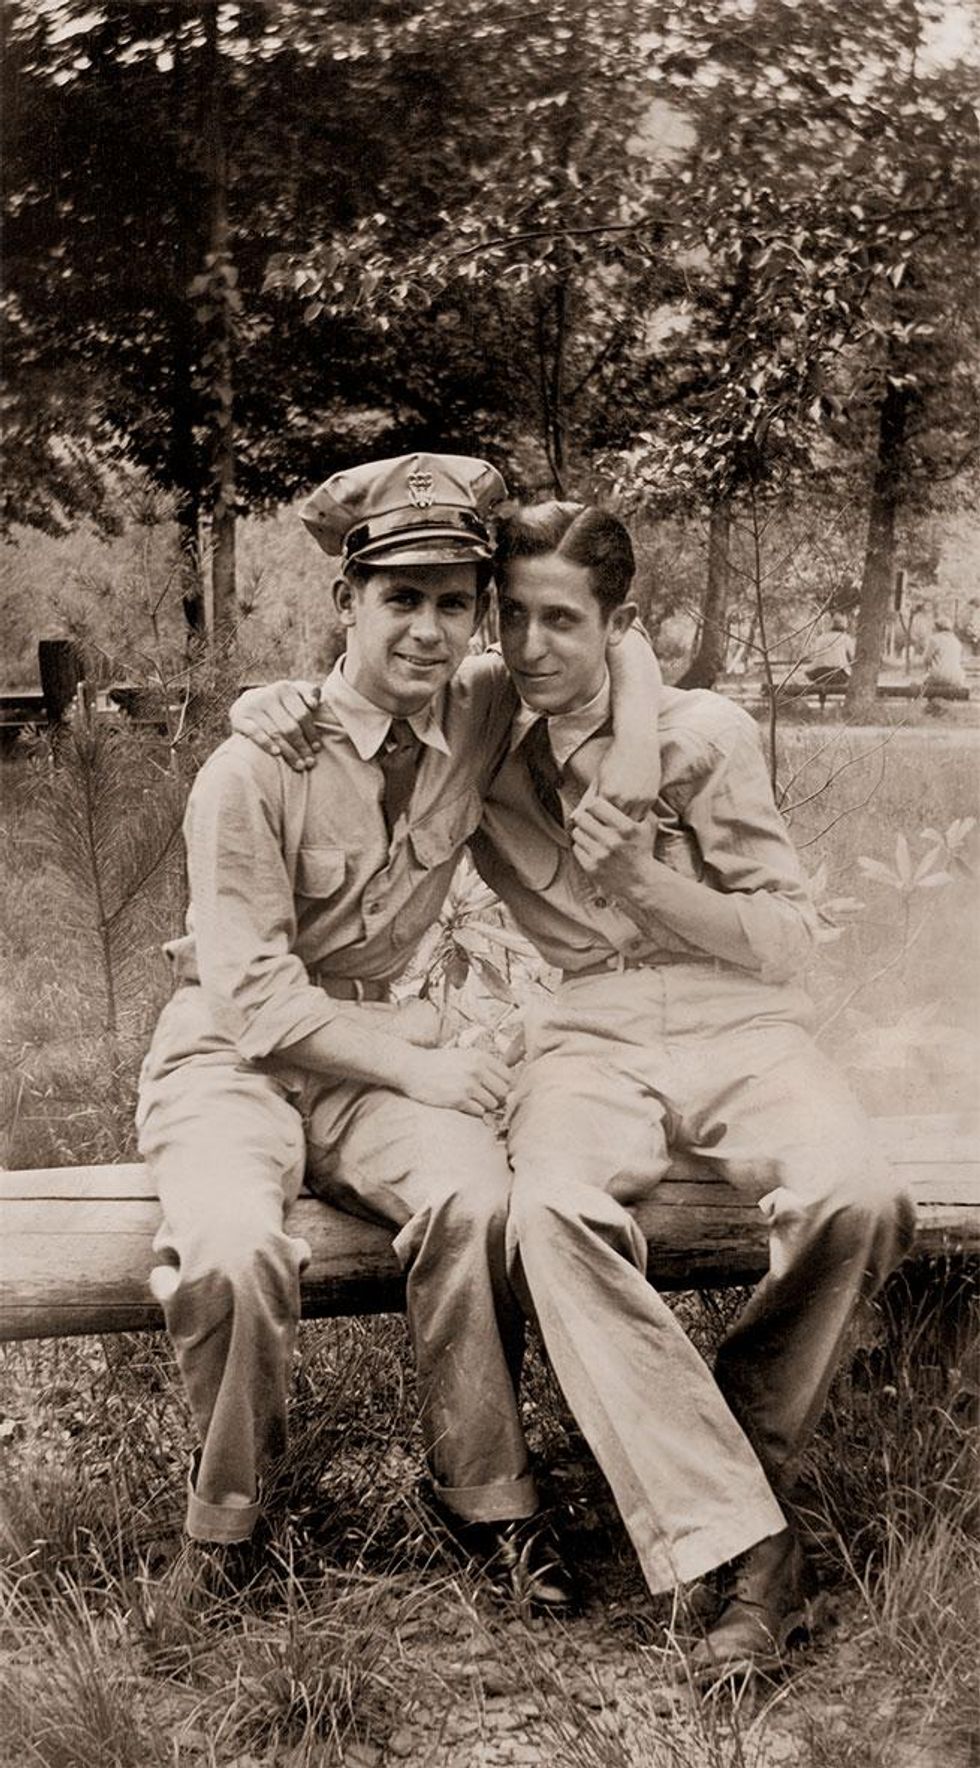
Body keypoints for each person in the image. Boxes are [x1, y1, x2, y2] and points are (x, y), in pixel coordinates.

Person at [240, 500, 916, 1682]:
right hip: (584, 1036)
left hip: (737, 1022)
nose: (530, 644)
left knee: (855, 1198)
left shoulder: (703, 733)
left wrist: (643, 880)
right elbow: (361, 691)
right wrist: (267, 705)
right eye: (511, 617)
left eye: (561, 620)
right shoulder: (484, 729)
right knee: (549, 1214)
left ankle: (723, 1448)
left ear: (616, 624)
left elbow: (788, 942)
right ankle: (755, 1553)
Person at [138, 454, 669, 1610]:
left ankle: (486, 1501)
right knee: (231, 1246)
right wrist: (426, 1066)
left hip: (368, 1059)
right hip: (233, 1057)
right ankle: (223, 1527)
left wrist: (631, 734)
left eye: (452, 603)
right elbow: (256, 1001)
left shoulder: (473, 709)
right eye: (399, 598)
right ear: (347, 601)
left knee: (473, 1201)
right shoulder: (253, 764)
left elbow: (609, 636)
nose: (428, 631)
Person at [804, 611, 854, 690]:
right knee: (849, 674)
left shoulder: (820, 638)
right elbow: (853, 657)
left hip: (818, 674)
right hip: (837, 674)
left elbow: (813, 656)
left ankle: (822, 693)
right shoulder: (845, 638)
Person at [922, 616, 966, 692]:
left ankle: (933, 699)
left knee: (925, 681)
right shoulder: (957, 642)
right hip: (957, 678)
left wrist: (927, 670)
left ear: (937, 628)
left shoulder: (934, 639)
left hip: (939, 676)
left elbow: (926, 659)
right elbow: (960, 661)